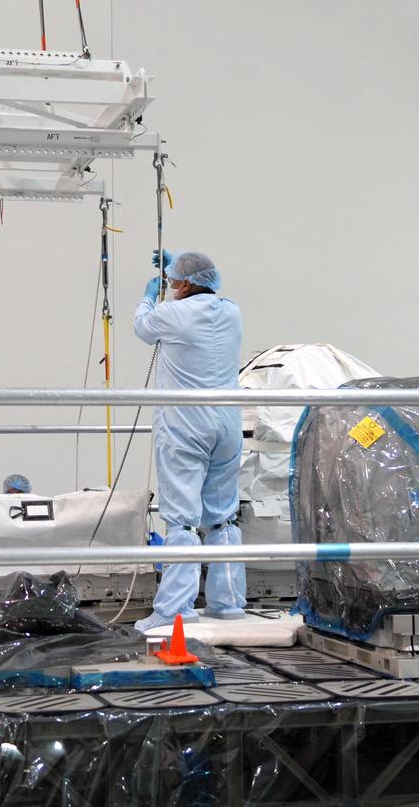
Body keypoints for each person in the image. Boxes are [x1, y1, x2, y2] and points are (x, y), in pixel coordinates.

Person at [133, 250, 246, 633]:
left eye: (171, 280)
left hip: (185, 426)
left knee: (181, 518)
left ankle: (174, 609)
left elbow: (142, 327)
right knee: (223, 515)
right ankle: (228, 603)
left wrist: (150, 295)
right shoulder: (231, 311)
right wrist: (179, 270)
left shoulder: (170, 314)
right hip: (227, 424)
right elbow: (198, 291)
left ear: (182, 284)